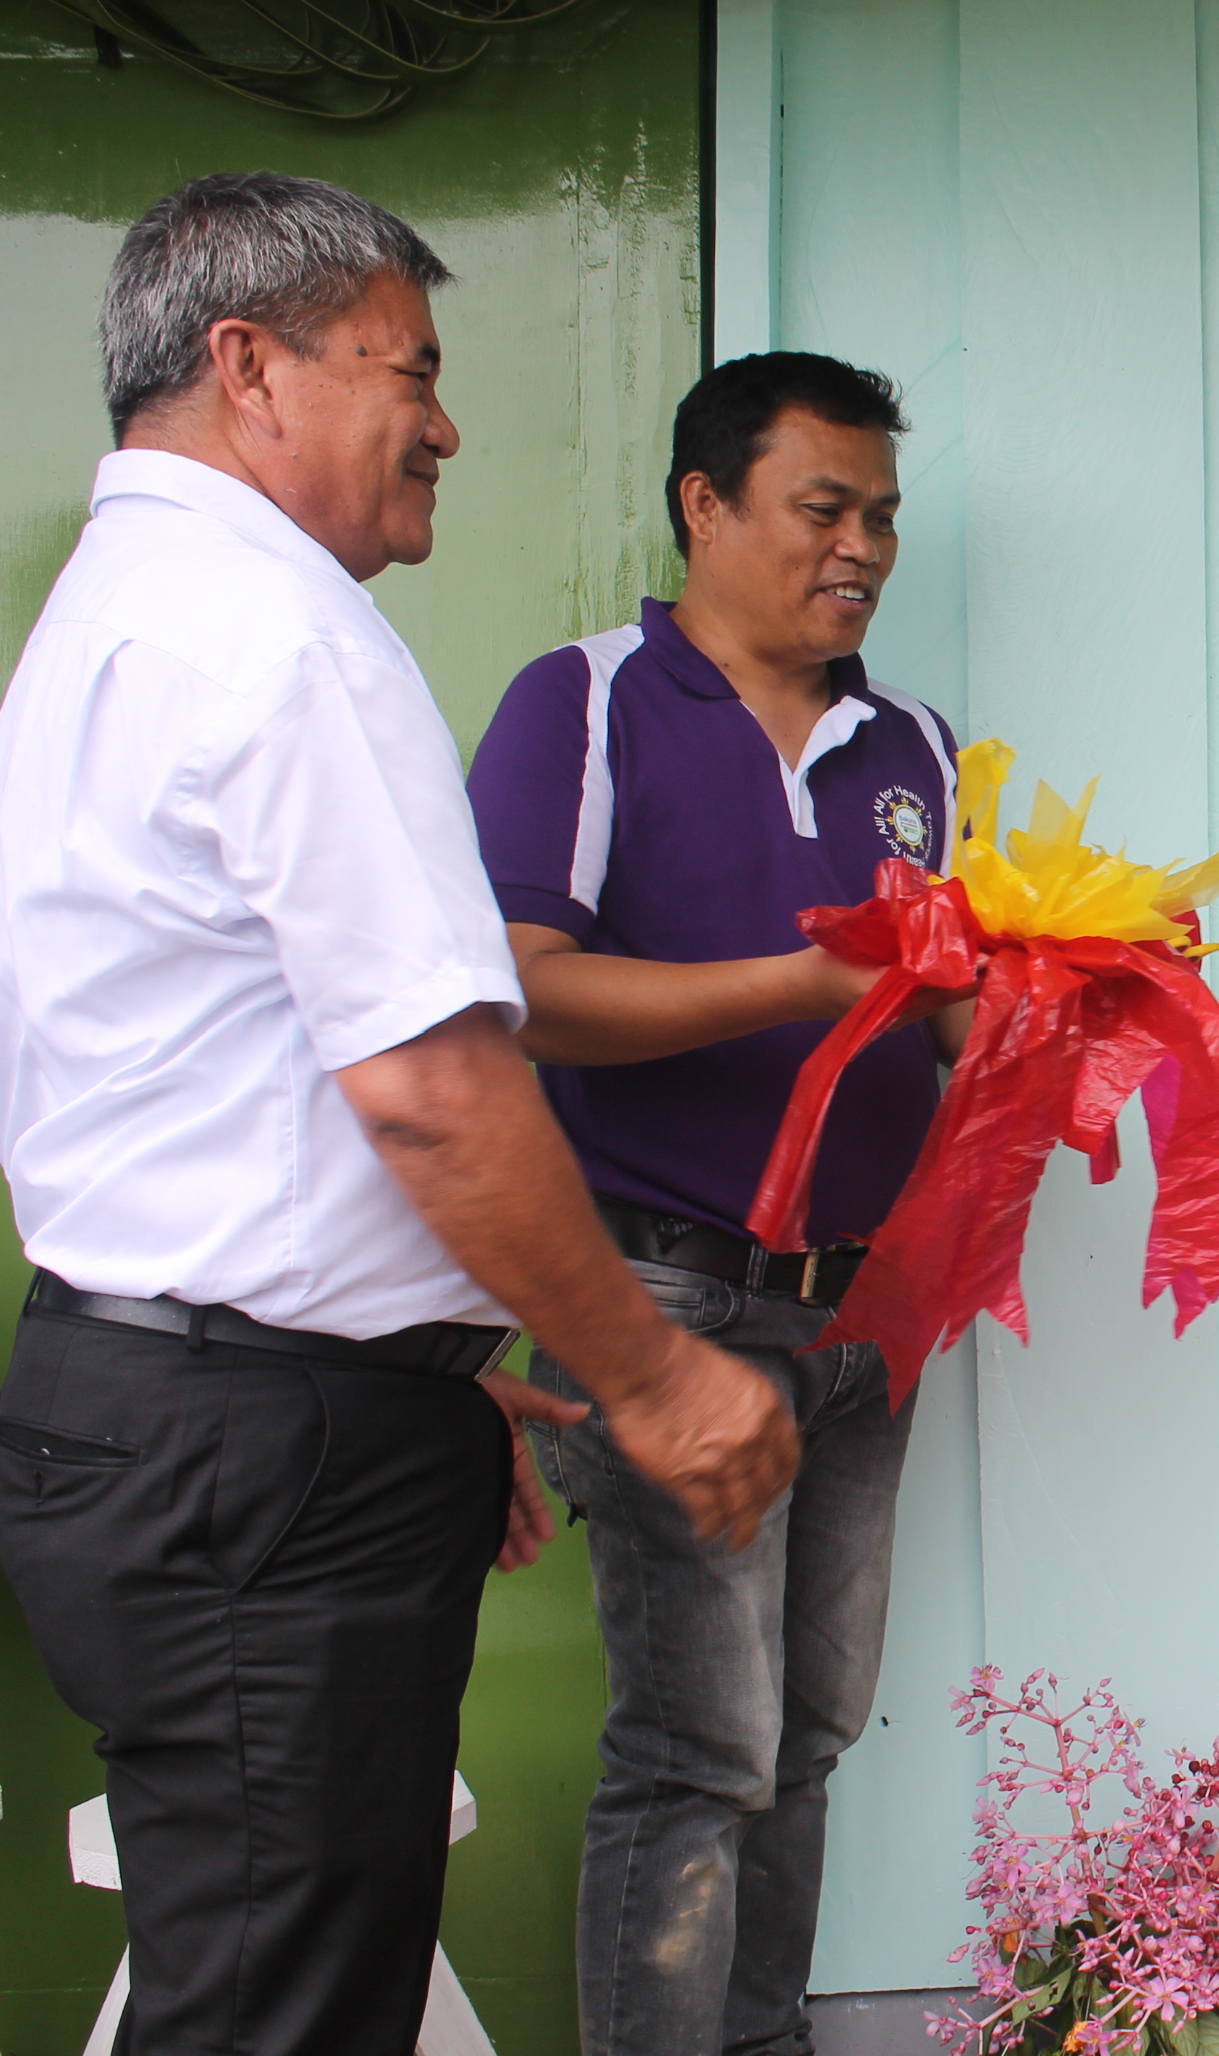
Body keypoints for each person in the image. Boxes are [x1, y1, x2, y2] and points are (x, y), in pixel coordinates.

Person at [0, 173, 798, 2056]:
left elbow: (207, 1069)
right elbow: (435, 1089)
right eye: (410, 370)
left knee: (266, 1984)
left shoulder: (117, 611)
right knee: (279, 2012)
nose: (444, 424)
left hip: (204, 1413)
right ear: (249, 366)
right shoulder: (277, 636)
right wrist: (657, 1379)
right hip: (259, 1461)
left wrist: (418, 1375)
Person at [465, 349, 967, 2056]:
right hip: (665, 1297)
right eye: (823, 509)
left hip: (864, 1313)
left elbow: (944, 1019)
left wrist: (1079, 1013)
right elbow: (521, 992)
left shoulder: (916, 746)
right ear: (705, 504)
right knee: (702, 1752)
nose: (862, 549)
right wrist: (800, 987)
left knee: (808, 1735)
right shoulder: (587, 702)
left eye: (881, 517)